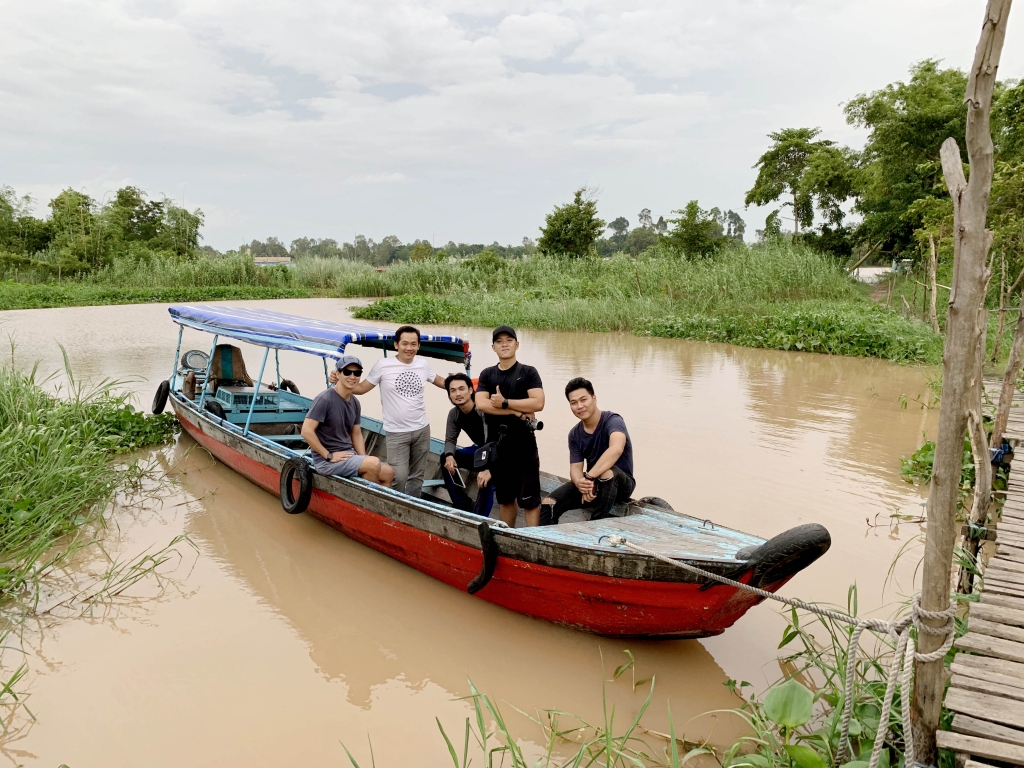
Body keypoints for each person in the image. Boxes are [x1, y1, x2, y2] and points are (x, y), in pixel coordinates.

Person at [335, 326, 445, 497]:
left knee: (417, 476)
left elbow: (441, 381)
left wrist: (464, 386)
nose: (409, 348)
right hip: (396, 432)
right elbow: (362, 388)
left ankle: (414, 507)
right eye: (405, 344)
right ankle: (396, 507)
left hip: (421, 430)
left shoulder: (422, 365)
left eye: (413, 344)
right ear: (396, 345)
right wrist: (341, 380)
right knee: (398, 476)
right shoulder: (383, 365)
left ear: (418, 346)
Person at [475, 325, 545, 528]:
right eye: (499, 341)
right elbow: (482, 404)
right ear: (493, 347)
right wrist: (515, 411)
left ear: (517, 344)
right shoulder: (488, 374)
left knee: (530, 499)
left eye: (508, 340)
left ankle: (533, 538)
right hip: (499, 447)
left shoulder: (528, 372)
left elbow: (538, 403)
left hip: (524, 444)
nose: (504, 344)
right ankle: (508, 535)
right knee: (505, 498)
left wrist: (505, 402)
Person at [541, 377, 635, 524]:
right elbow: (575, 468)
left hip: (620, 485)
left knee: (607, 473)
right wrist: (581, 484)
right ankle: (545, 542)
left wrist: (590, 478)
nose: (579, 406)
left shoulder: (613, 420)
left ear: (594, 399)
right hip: (593, 485)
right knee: (548, 503)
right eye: (574, 403)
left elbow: (616, 449)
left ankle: (595, 524)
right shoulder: (574, 434)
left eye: (583, 400)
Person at [302, 355, 395, 486]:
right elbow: (306, 431)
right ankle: (366, 503)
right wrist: (328, 455)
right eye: (347, 372)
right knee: (373, 464)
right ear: (338, 374)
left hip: (348, 455)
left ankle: (371, 503)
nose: (352, 376)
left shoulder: (355, 403)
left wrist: (363, 458)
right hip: (327, 461)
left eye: (357, 373)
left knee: (388, 472)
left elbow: (356, 433)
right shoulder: (324, 399)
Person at [441, 372, 494, 517]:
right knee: (445, 458)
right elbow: (450, 440)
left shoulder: (482, 409)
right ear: (449, 395)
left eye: (461, 389)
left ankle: (479, 518)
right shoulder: (455, 414)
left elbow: (496, 441)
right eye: (453, 391)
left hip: (499, 453)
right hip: (480, 451)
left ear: (471, 390)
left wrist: (490, 468)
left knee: (486, 480)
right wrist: (450, 456)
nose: (458, 394)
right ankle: (462, 503)